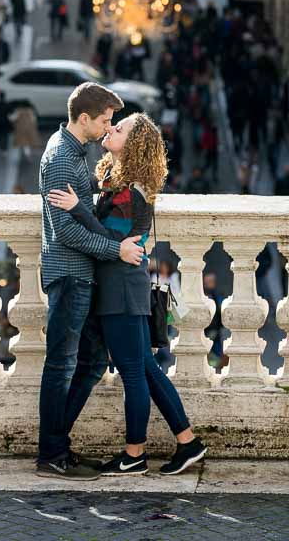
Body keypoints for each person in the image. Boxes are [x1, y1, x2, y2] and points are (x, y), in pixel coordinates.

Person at [50, 112, 207, 476]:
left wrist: (77, 208)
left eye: (118, 128)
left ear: (133, 145)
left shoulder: (129, 191)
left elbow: (109, 239)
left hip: (121, 288)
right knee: (147, 370)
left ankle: (134, 454)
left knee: (133, 373)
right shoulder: (115, 180)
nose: (110, 128)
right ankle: (188, 442)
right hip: (122, 284)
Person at [36, 83, 146, 480]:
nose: (107, 127)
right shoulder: (63, 159)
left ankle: (57, 445)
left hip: (80, 275)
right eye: (104, 120)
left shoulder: (71, 151)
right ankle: (51, 453)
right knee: (62, 365)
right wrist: (115, 250)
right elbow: (66, 231)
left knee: (92, 360)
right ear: (84, 118)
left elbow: (80, 218)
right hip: (70, 274)